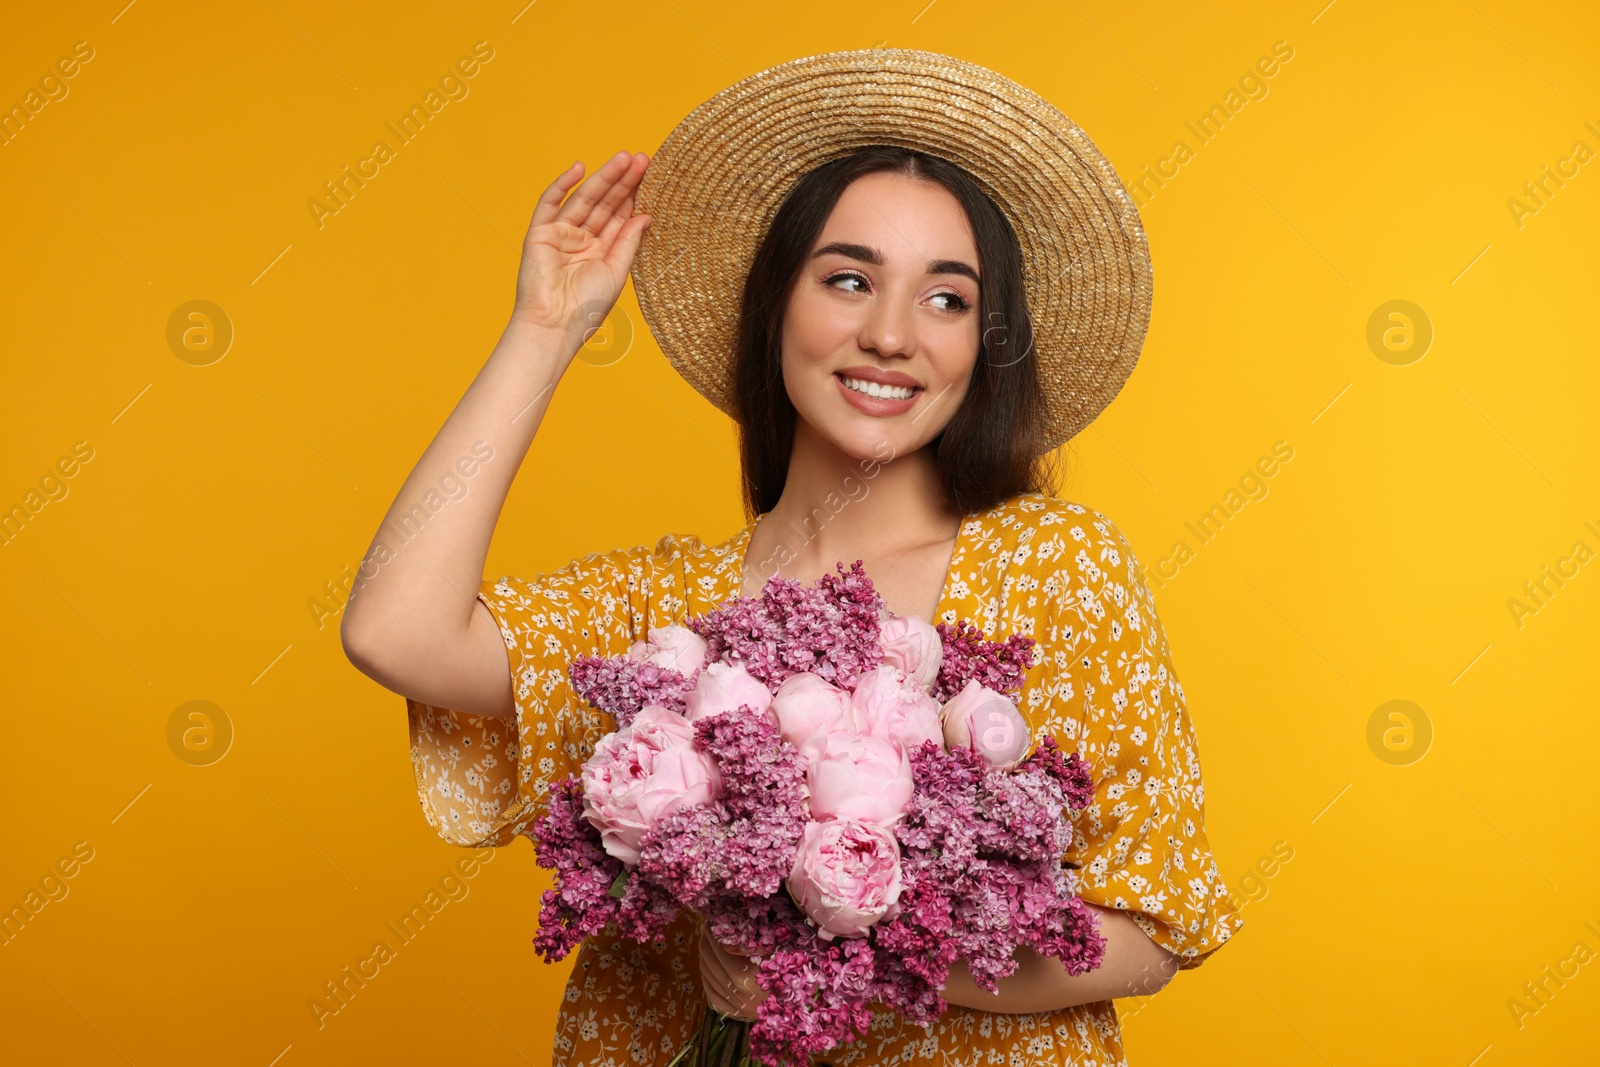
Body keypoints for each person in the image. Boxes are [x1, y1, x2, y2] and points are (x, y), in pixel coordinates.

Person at [341, 48, 1241, 1067]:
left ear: (983, 340)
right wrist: (546, 330)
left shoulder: (1054, 566)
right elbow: (395, 628)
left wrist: (846, 953)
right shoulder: (663, 607)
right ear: (774, 307)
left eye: (945, 298)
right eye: (849, 280)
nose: (892, 334)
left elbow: (1154, 927)